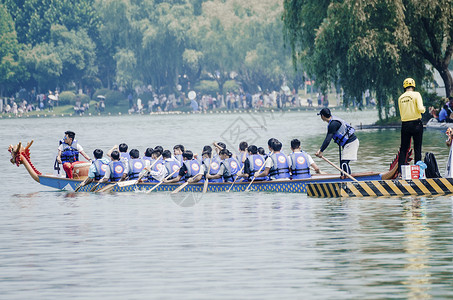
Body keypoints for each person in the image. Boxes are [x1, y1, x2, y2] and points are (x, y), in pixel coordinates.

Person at [315, 108, 359, 175]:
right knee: (343, 163)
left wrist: (321, 151)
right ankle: (344, 178)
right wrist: (320, 150)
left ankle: (347, 181)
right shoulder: (333, 121)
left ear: (323, 116)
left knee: (344, 163)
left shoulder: (333, 124)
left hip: (351, 142)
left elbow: (327, 140)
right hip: (348, 143)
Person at [398, 78, 425, 172]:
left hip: (405, 124)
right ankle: (418, 171)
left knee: (403, 149)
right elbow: (421, 109)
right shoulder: (416, 94)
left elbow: (401, 112)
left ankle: (400, 172)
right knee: (417, 148)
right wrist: (424, 110)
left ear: (404, 86)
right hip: (416, 123)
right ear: (413, 85)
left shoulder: (400, 97)